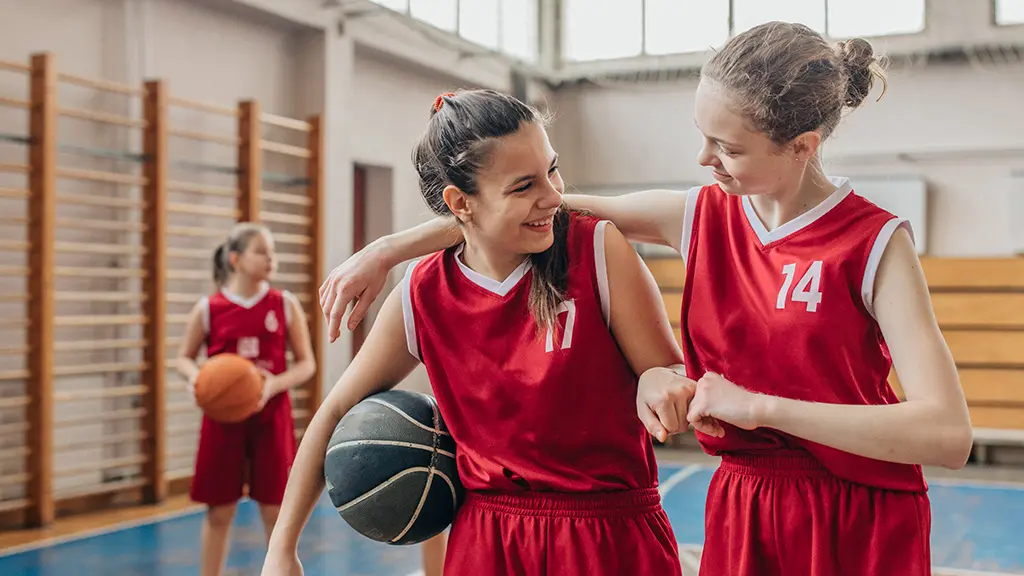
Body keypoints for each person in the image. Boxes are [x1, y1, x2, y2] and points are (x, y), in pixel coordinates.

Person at [316, 22, 974, 576]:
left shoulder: (874, 243)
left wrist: (762, 407)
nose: (702, 158)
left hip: (859, 512)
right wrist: (387, 249)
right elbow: (525, 210)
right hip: (744, 503)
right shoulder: (699, 216)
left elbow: (946, 434)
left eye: (727, 147)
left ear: (802, 146)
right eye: (702, 133)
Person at [262, 89, 690, 576]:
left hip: (608, 537)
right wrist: (282, 548)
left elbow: (667, 368)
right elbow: (335, 410)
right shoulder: (421, 294)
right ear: (459, 202)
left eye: (552, 169)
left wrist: (662, 378)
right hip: (486, 545)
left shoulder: (597, 250)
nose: (553, 196)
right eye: (525, 185)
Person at [176, 222, 317, 576]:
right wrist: (199, 379)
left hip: (271, 417)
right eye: (261, 251)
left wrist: (271, 385)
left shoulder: (284, 304)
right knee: (219, 510)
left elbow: (307, 364)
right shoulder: (209, 308)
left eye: (273, 251)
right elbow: (182, 357)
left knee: (275, 511)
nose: (271, 258)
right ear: (236, 259)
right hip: (222, 420)